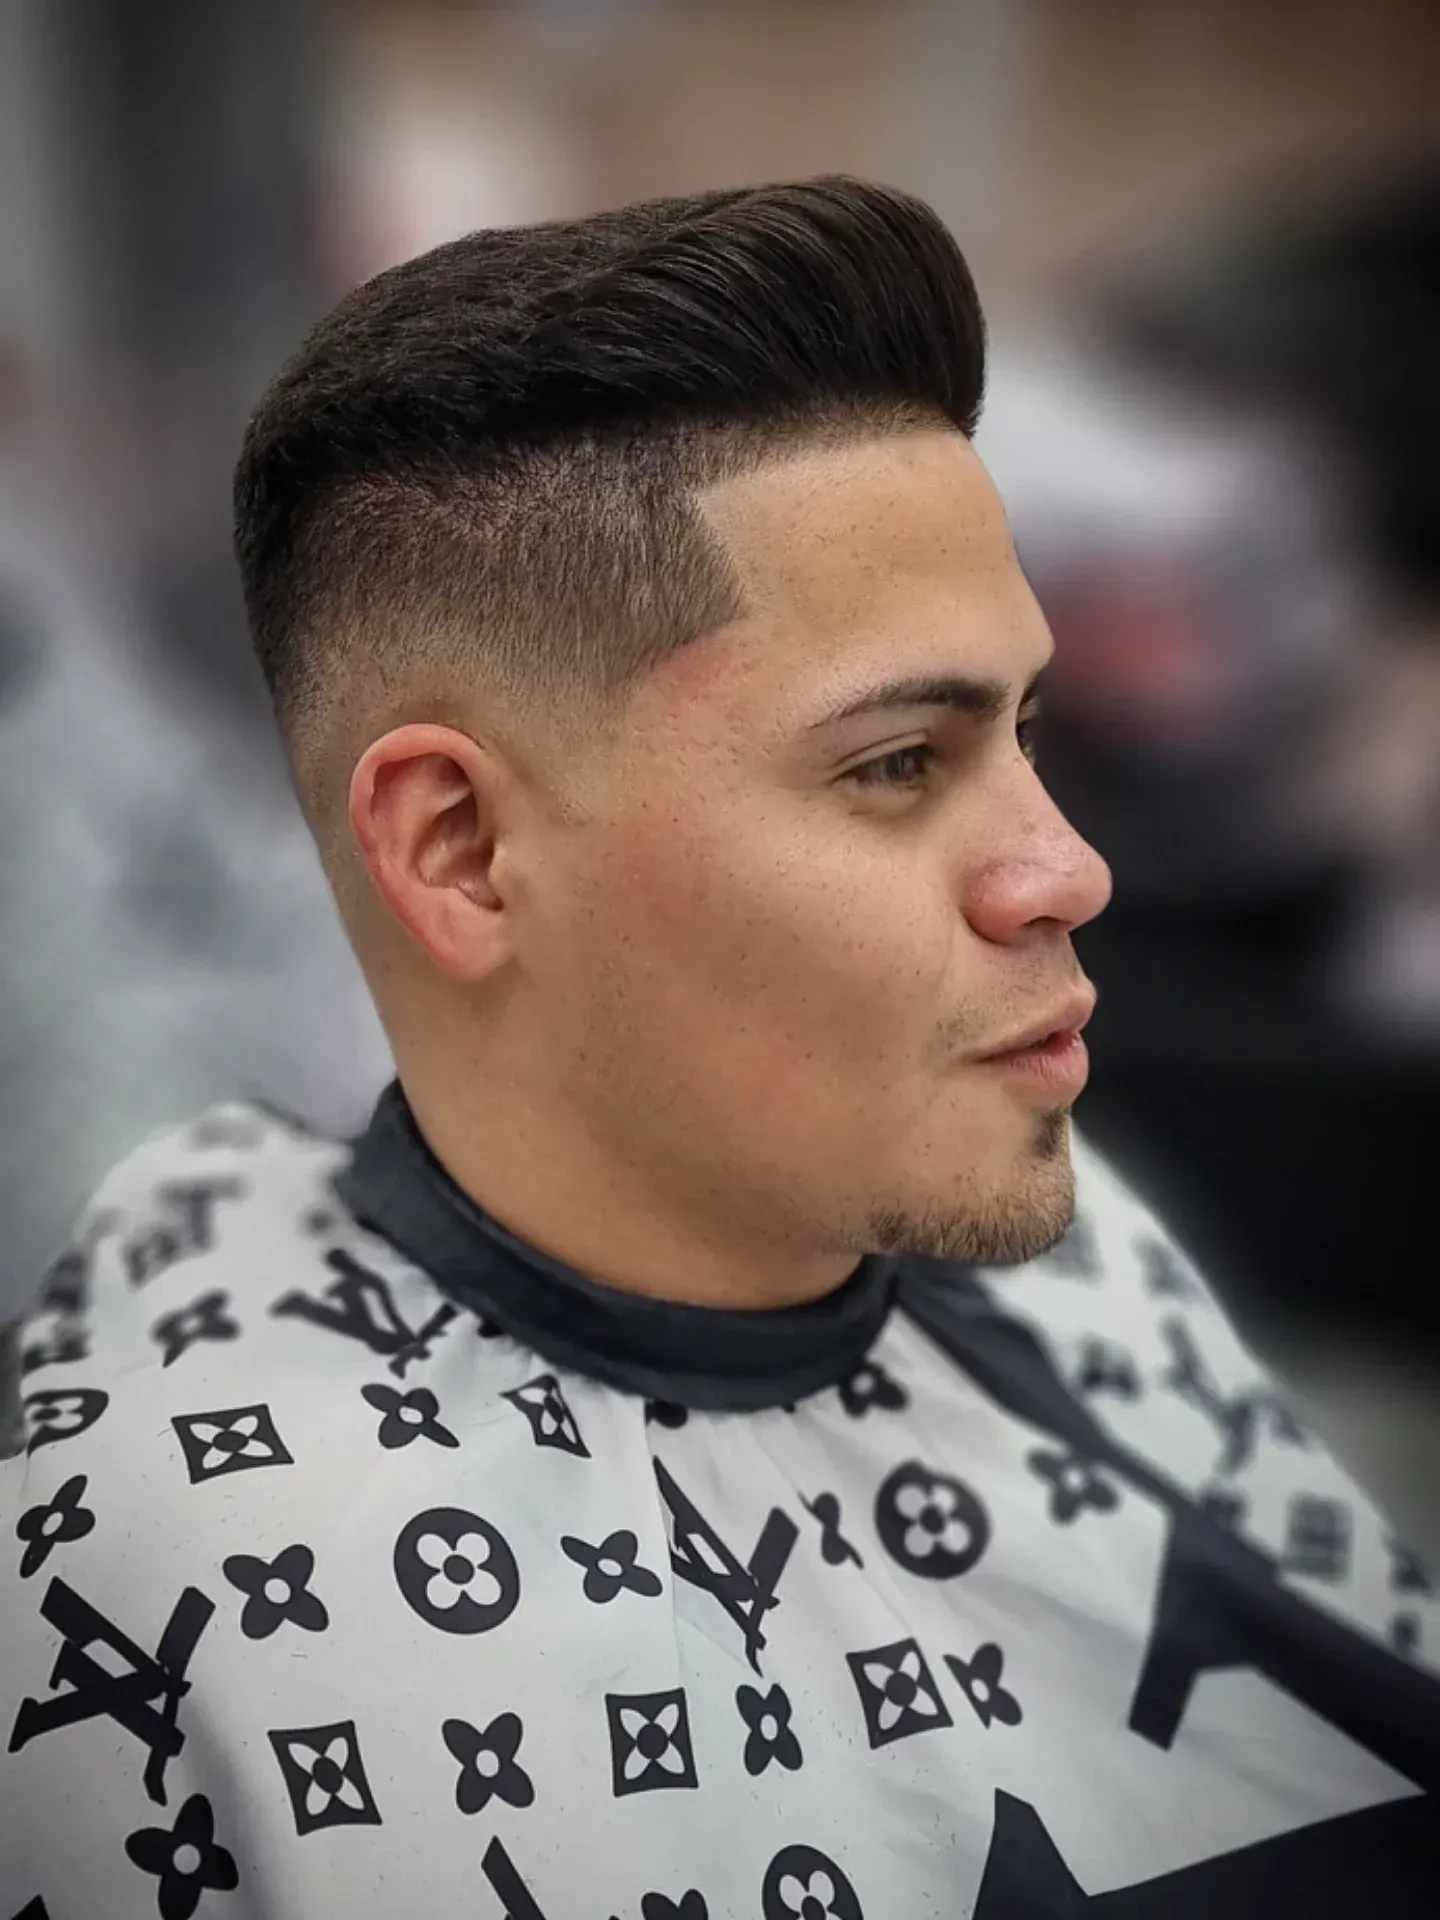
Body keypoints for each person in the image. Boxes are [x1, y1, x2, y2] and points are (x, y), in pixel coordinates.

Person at [1, 178, 1435, 1920]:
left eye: (1030, 732)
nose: (1072, 864)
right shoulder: (173, 1621)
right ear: (458, 847)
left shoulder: (1100, 1273)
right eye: (898, 761)